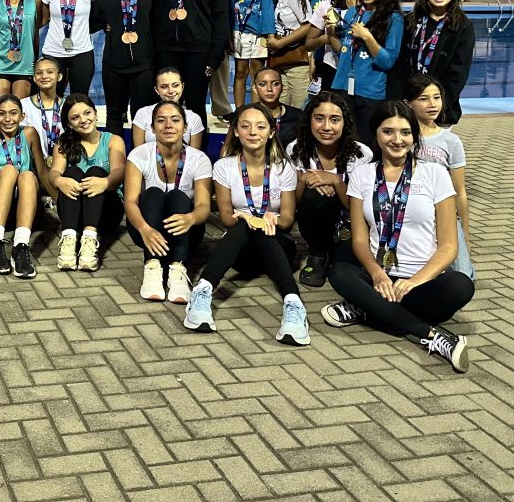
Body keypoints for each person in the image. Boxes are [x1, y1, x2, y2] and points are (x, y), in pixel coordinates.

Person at [324, 101, 474, 373]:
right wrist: (377, 275)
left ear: (414, 135)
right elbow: (359, 240)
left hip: (422, 282)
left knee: (461, 285)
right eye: (388, 132)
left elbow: (449, 246)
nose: (397, 140)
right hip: (378, 278)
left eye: (405, 132)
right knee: (339, 273)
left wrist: (416, 281)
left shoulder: (435, 174)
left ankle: (367, 309)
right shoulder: (362, 174)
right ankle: (432, 336)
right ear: (376, 134)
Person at [184, 103, 309, 345]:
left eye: (260, 127)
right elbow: (226, 217)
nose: (253, 132)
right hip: (241, 253)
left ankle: (293, 304)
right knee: (245, 223)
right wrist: (244, 217)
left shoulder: (284, 168)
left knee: (259, 225)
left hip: (279, 247)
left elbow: (287, 220)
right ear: (236, 131)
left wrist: (272, 218)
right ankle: (203, 292)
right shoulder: (224, 167)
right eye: (245, 126)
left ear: (271, 132)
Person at [124, 100, 213, 304]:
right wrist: (144, 229)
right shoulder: (139, 154)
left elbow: (203, 207)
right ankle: (152, 266)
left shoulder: (199, 159)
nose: (168, 125)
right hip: (147, 231)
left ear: (185, 127)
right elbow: (129, 202)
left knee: (177, 196)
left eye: (175, 120)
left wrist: (191, 218)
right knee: (153, 193)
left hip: (185, 232)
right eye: (161, 120)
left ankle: (178, 268)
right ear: (152, 128)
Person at [285, 91, 372, 288]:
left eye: (334, 120)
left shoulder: (361, 154)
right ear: (309, 120)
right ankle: (317, 253)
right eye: (319, 118)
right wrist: (305, 180)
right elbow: (294, 203)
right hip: (313, 220)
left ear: (345, 123)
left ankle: (337, 252)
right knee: (314, 193)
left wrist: (335, 181)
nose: (326, 127)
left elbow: (358, 208)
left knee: (343, 267)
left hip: (351, 222)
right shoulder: (296, 149)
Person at [153, 0, 230, 129]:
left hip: (198, 50)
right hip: (166, 49)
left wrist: (215, 55)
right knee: (167, 106)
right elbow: (152, 11)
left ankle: (197, 149)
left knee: (195, 106)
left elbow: (221, 15)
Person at [387, 0, 475, 126]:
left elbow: (457, 76)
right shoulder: (410, 22)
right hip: (406, 109)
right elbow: (398, 67)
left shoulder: (462, 27)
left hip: (438, 114)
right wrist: (400, 105)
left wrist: (436, 108)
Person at [405, 76, 473, 279]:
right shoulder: (401, 138)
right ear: (408, 103)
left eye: (436, 97)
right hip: (411, 214)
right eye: (423, 99)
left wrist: (465, 233)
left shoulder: (450, 141)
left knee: (463, 275)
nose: (432, 104)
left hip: (444, 216)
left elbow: (459, 191)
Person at [49, 94, 126, 271]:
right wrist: (59, 181)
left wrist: (105, 183)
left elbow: (119, 171)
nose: (83, 120)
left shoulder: (113, 140)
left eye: (87, 113)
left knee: (96, 172)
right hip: (75, 214)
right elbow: (54, 173)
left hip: (106, 213)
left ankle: (90, 243)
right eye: (75, 117)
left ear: (95, 113)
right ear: (69, 124)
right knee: (72, 173)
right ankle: (69, 242)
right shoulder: (64, 143)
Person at [92, 0, 158, 134]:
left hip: (144, 61)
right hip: (114, 61)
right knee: (114, 115)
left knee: (141, 117)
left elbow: (158, 19)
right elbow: (96, 18)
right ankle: (115, 154)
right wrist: (109, 23)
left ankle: (139, 155)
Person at [328, 0, 405, 133]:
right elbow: (342, 51)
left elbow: (387, 62)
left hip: (370, 93)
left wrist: (368, 37)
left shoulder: (394, 19)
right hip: (341, 86)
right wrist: (330, 32)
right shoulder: (352, 13)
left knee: (366, 141)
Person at [0, 94, 45, 277]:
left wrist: (61, 206)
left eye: (13, 113)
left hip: (24, 210)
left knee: (28, 175)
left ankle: (21, 247)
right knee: (9, 170)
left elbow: (42, 172)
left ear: (22, 116)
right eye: (2, 114)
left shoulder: (29, 133)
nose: (8, 119)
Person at [40, 0, 99, 96]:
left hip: (82, 52)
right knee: (51, 101)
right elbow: (44, 19)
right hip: (53, 51)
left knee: (79, 101)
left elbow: (98, 14)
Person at [305, 0, 368, 96]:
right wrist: (328, 37)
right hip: (332, 70)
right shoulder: (327, 6)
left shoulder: (375, 9)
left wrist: (354, 11)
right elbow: (309, 44)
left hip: (363, 70)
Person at [258, 0, 311, 108]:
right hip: (279, 59)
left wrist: (280, 43)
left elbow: (308, 24)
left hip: (297, 59)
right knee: (281, 109)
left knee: (300, 109)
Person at [227, 0, 274, 108]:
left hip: (259, 34)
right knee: (240, 72)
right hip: (237, 33)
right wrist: (227, 36)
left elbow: (267, 9)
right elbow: (225, 11)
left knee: (257, 73)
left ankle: (256, 110)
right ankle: (239, 111)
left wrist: (269, 35)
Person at [130, 67, 206, 151]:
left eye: (175, 85)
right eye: (164, 87)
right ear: (156, 90)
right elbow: (138, 153)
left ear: (182, 86)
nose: (171, 91)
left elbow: (194, 155)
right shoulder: (143, 113)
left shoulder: (194, 118)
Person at [22, 57, 65, 160]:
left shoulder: (68, 106)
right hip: (32, 164)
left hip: (63, 163)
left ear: (59, 76)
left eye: (50, 72)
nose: (44, 76)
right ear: (34, 78)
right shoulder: (23, 106)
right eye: (39, 73)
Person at [251, 67, 303, 150]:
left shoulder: (297, 116)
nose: (269, 89)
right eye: (262, 84)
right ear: (255, 88)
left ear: (282, 87)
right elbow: (231, 147)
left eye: (275, 84)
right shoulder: (244, 115)